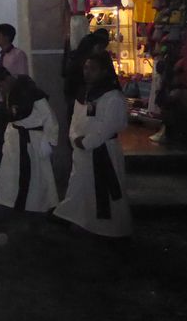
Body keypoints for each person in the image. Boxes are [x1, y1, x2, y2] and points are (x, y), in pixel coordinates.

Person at [53, 53, 132, 238]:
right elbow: (75, 120)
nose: (87, 72)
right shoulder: (83, 94)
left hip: (103, 150)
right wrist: (75, 138)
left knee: (104, 190)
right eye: (86, 68)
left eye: (93, 69)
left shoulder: (113, 96)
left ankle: (108, 228)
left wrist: (88, 141)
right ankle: (78, 218)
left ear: (104, 71)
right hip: (82, 150)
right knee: (81, 185)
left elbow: (110, 125)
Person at [0, 66, 59, 219]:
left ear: (7, 78)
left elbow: (49, 116)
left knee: (38, 175)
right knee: (10, 175)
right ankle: (9, 203)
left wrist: (50, 140)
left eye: (0, 85)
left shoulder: (31, 92)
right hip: (15, 138)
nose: (0, 89)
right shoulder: (8, 92)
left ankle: (40, 205)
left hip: (34, 140)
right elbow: (10, 118)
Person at [0, 23, 30, 166]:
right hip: (1, 100)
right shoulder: (2, 55)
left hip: (12, 101)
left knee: (11, 137)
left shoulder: (18, 55)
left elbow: (22, 78)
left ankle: (13, 167)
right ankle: (2, 167)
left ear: (6, 37)